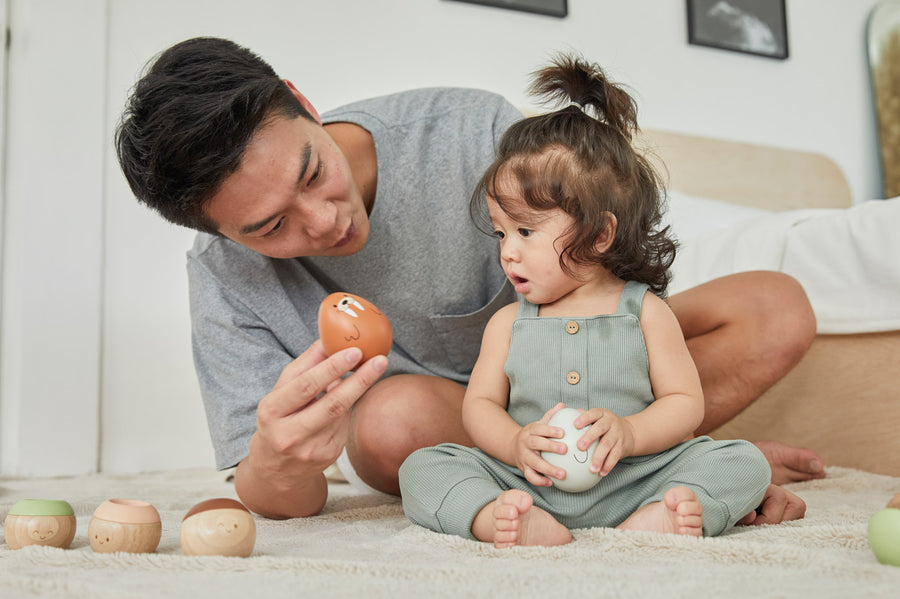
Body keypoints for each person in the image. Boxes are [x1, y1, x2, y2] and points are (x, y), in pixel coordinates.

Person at [114, 36, 820, 521]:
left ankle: (660, 464)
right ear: (218, 232)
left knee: (774, 308)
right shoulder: (224, 280)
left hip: (599, 389)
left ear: (300, 99)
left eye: (312, 173)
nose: (323, 221)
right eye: (270, 228)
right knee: (389, 422)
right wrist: (276, 455)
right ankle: (649, 481)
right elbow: (276, 499)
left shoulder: (463, 132)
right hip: (468, 434)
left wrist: (634, 420)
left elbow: (611, 293)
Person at [398, 55, 771, 547]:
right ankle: (496, 515)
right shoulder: (509, 323)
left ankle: (662, 513)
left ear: (598, 236)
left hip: (631, 480)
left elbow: (685, 403)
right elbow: (481, 405)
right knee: (424, 467)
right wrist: (514, 443)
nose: (507, 251)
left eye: (526, 230)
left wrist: (632, 434)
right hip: (532, 483)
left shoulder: (645, 312)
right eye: (501, 233)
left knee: (745, 461)